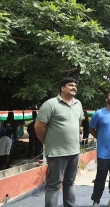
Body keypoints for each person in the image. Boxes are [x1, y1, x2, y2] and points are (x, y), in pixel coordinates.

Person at [35, 77, 84, 207]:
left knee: (70, 183)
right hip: (57, 153)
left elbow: (78, 122)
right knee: (54, 185)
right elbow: (39, 127)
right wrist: (46, 142)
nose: (74, 87)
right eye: (70, 85)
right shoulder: (51, 104)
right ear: (62, 87)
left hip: (74, 151)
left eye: (75, 86)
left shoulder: (78, 104)